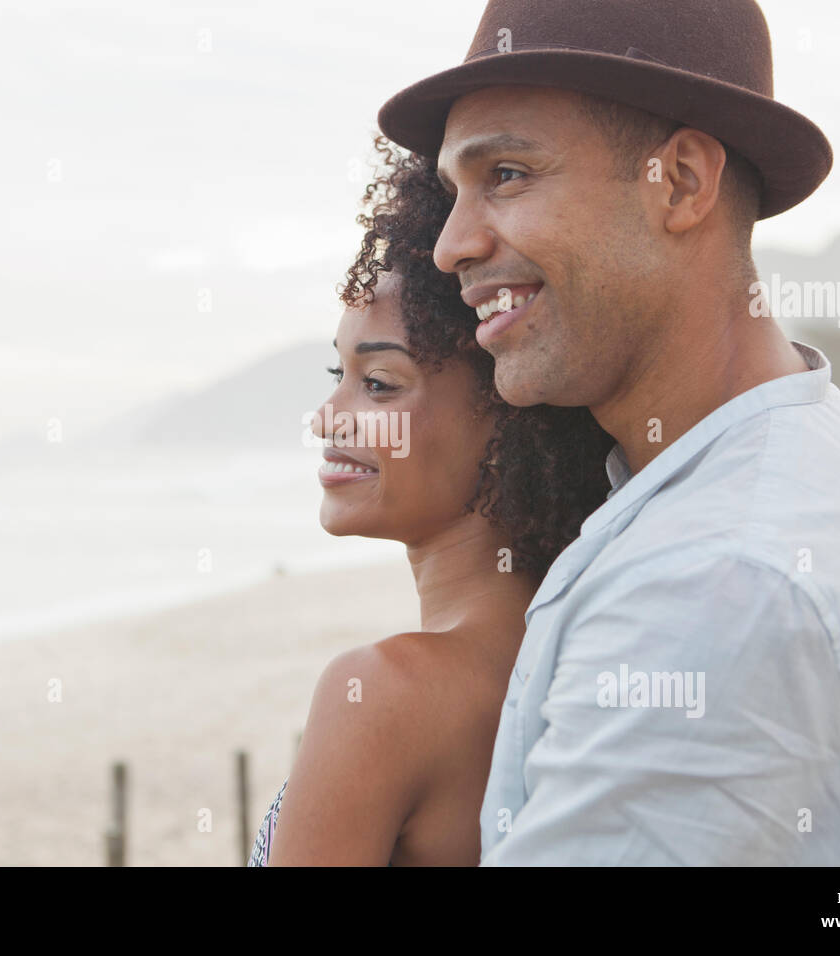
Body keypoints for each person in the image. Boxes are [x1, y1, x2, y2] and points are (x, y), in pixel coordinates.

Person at [371, 0, 840, 865]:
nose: (450, 246)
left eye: (508, 174)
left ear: (680, 183)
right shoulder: (776, 454)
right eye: (453, 191)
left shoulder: (713, 589)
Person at [249, 139, 615, 865]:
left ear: (510, 413)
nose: (328, 417)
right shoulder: (577, 657)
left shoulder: (381, 694)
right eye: (338, 373)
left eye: (379, 383)